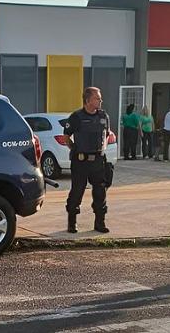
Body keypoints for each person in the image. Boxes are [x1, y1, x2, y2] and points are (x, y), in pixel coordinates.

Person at [63, 87, 111, 234]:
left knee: (100, 192)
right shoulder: (76, 117)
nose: (100, 101)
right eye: (97, 98)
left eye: (100, 98)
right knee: (77, 191)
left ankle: (99, 223)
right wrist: (74, 149)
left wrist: (104, 146)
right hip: (81, 161)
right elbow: (66, 136)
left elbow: (107, 134)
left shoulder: (104, 116)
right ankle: (72, 223)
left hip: (97, 160)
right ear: (88, 100)